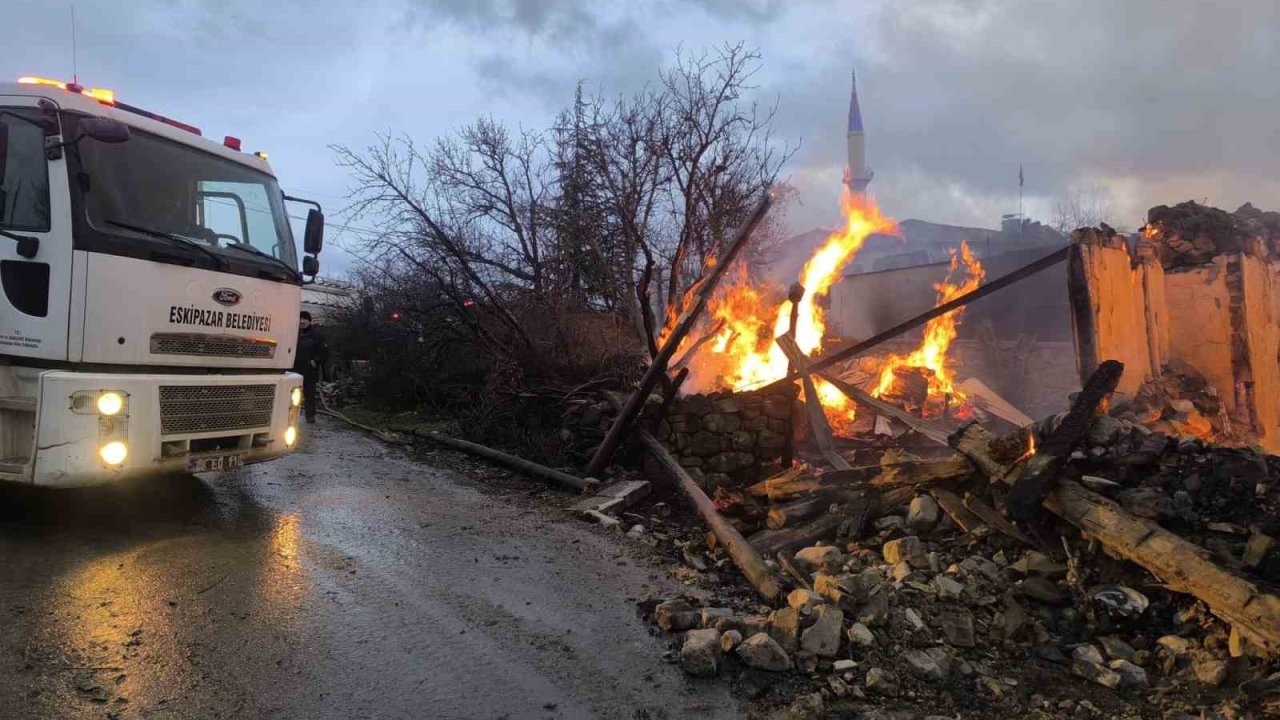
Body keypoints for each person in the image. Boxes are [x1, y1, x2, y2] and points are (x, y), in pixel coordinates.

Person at [294, 311, 329, 423]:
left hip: (309, 370)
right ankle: (290, 416)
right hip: (293, 369)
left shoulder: (316, 335)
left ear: (309, 321)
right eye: (300, 319)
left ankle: (310, 416)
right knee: (292, 394)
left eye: (305, 319)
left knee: (309, 394)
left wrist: (315, 361)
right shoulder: (293, 333)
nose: (302, 321)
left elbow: (323, 351)